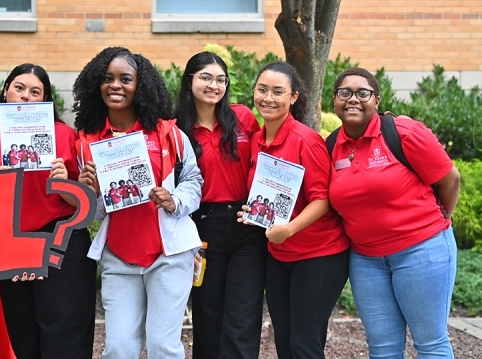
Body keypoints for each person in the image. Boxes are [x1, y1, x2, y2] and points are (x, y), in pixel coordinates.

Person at [73, 47, 203, 359]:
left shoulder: (167, 133)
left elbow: (194, 182)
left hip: (169, 255)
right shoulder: (87, 141)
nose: (115, 85)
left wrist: (174, 200)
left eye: (125, 79)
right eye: (108, 79)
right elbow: (96, 212)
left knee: (163, 347)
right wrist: (89, 192)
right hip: (119, 257)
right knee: (119, 349)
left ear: (140, 86)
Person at [328, 67, 460, 358]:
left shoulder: (403, 132)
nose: (353, 99)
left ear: (376, 100)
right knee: (382, 348)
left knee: (430, 343)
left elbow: (450, 179)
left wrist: (437, 223)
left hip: (422, 252)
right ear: (334, 101)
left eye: (363, 93)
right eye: (344, 92)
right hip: (366, 261)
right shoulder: (330, 146)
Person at [0, 63, 97, 359]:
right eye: (19, 88)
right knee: (23, 333)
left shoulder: (65, 136)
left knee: (65, 333)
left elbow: (87, 203)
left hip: (61, 239)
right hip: (8, 242)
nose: (26, 96)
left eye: (35, 91)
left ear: (45, 100)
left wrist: (66, 183)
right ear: (5, 91)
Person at [239, 61, 350, 358]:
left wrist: (289, 229)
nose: (268, 98)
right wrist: (254, 214)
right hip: (279, 255)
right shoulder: (256, 141)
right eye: (262, 90)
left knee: (305, 344)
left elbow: (323, 199)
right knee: (285, 343)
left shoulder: (305, 140)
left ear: (294, 97)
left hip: (319, 255)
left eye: (278, 92)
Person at [174, 51, 265, 358]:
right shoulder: (176, 129)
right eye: (205, 77)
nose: (214, 85)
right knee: (207, 312)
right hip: (202, 227)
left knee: (243, 315)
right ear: (189, 81)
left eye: (220, 79)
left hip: (246, 225)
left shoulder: (243, 117)